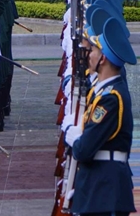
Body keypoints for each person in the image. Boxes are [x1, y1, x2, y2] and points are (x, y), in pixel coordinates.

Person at [64, 17, 136, 216]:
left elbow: (85, 149)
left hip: (105, 190)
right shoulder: (104, 92)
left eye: (94, 50)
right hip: (98, 187)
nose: (90, 55)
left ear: (102, 58)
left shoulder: (111, 99)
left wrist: (74, 136)